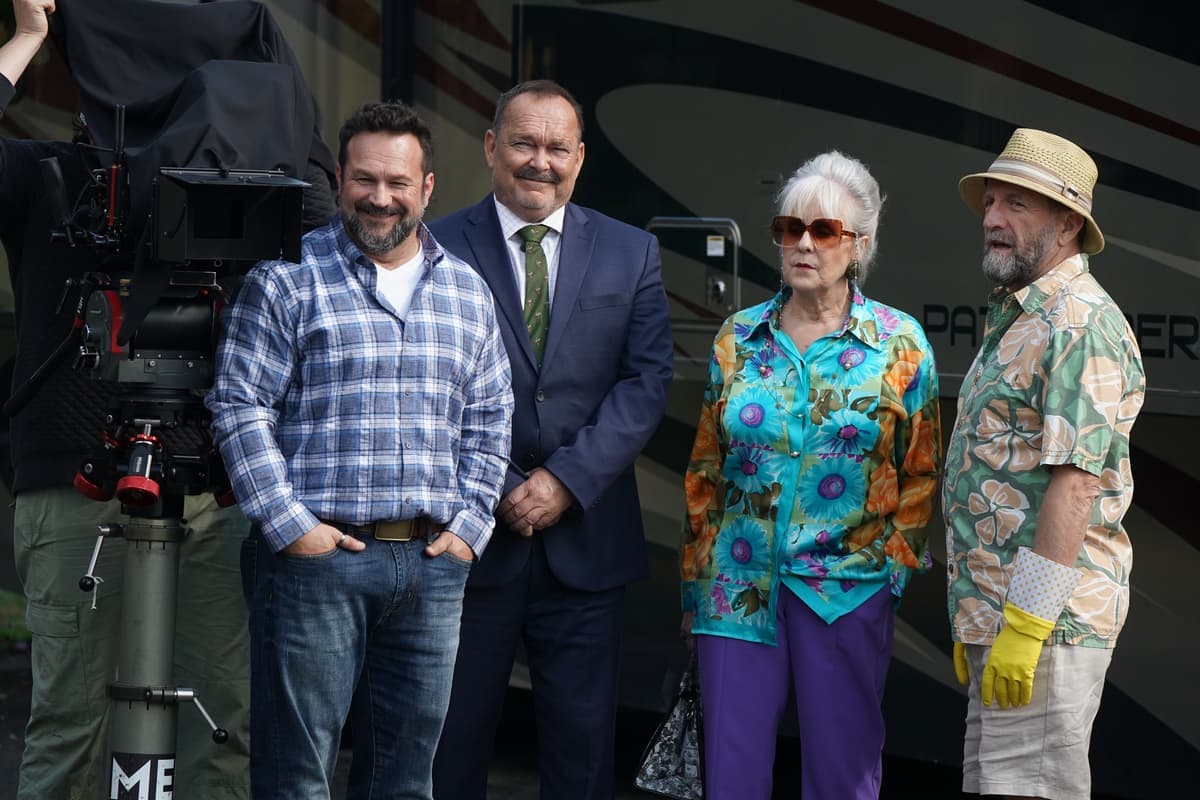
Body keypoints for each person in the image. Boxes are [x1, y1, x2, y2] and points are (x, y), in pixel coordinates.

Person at [0, 0, 325, 795]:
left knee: (222, 726)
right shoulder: (58, 178)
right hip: (83, 485)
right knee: (74, 728)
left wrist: (276, 107)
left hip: (218, 491)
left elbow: (333, 204)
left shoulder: (256, 201)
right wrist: (27, 38)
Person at [206, 100, 513, 799]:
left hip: (432, 568)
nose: (381, 198)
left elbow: (492, 420)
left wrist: (469, 530)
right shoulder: (286, 280)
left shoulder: (467, 293)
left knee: (406, 782)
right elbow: (238, 404)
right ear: (340, 179)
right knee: (297, 779)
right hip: (317, 564)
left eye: (398, 183)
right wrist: (292, 528)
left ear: (427, 187)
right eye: (365, 180)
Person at [429, 79, 673, 800]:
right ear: (491, 147)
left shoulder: (632, 252)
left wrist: (566, 480)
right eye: (525, 143)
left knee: (582, 755)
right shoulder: (435, 246)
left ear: (580, 157)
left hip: (587, 544)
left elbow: (645, 381)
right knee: (450, 745)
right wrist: (502, 482)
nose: (541, 161)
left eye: (557, 147)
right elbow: (424, 383)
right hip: (470, 539)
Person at [680, 151, 942, 800]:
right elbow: (705, 467)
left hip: (847, 591)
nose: (802, 243)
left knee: (842, 775)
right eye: (788, 229)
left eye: (823, 231)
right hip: (736, 588)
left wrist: (892, 576)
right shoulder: (737, 338)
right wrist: (695, 583)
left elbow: (921, 472)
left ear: (860, 245)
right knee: (732, 778)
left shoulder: (900, 343)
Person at [944, 128, 1145, 800]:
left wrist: (1026, 626)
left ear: (1068, 224)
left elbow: (1076, 486)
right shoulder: (1025, 314)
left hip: (1045, 631)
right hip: (1002, 622)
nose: (993, 219)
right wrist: (978, 614)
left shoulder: (1078, 322)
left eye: (1017, 206)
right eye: (991, 202)